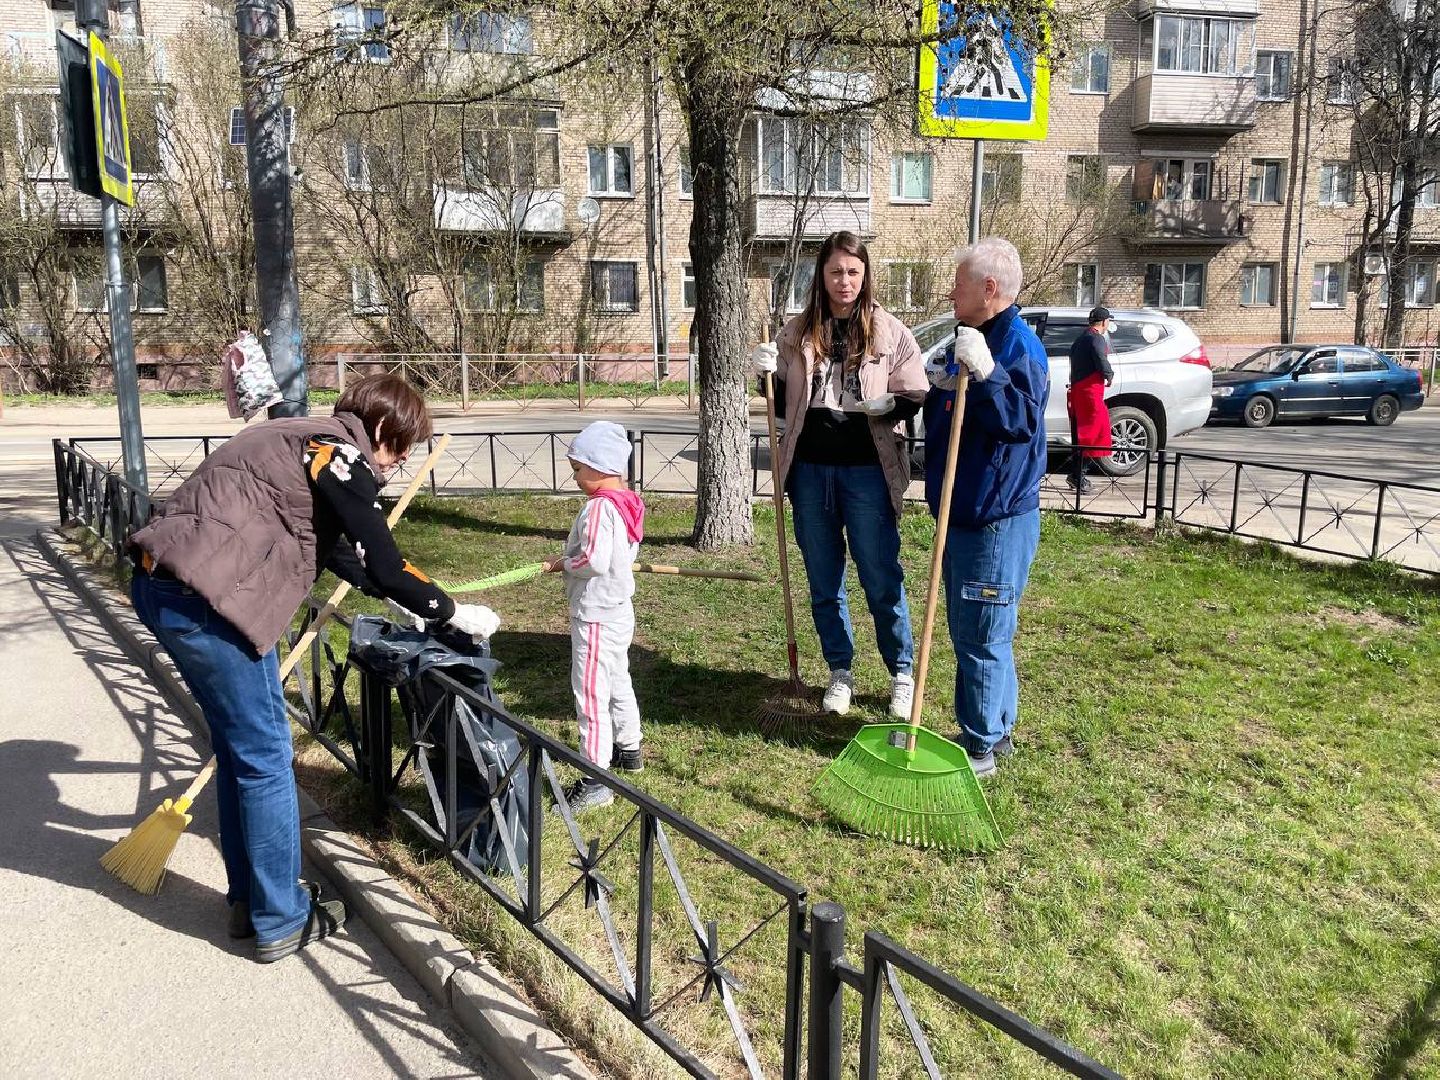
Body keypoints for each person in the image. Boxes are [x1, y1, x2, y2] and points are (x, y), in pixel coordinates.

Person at [129, 374, 499, 961]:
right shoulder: (339, 453)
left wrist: (395, 594)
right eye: (400, 449)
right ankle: (281, 916)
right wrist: (451, 610)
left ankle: (249, 902)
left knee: (237, 750)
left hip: (164, 588)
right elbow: (384, 559)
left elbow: (333, 549)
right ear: (380, 428)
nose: (399, 465)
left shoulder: (292, 436)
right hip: (209, 604)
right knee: (268, 760)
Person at [750, 230, 929, 718]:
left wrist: (891, 403)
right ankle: (840, 671)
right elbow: (779, 393)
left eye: (852, 271)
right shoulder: (798, 331)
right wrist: (764, 369)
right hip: (810, 472)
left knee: (880, 575)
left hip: (867, 472)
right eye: (835, 271)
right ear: (821, 276)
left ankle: (901, 672)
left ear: (864, 273)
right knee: (823, 579)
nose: (844, 280)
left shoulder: (891, 332)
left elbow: (917, 392)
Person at [922, 238, 1048, 778]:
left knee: (981, 631)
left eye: (959, 281)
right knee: (980, 627)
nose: (951, 290)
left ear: (989, 289)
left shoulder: (1017, 346)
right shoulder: (976, 338)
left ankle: (981, 747)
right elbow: (954, 409)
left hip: (995, 518)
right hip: (966, 510)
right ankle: (995, 727)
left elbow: (1021, 421)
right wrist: (934, 388)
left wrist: (990, 374)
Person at [544, 421, 646, 813]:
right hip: (618, 611)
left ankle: (595, 776)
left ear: (601, 468)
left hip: (596, 614)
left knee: (589, 692)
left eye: (578, 469)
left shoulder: (600, 508)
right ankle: (629, 748)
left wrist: (563, 563)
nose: (574, 477)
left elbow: (593, 560)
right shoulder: (627, 502)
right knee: (617, 678)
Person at [1066, 306, 1115, 494]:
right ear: (1104, 322)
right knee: (1093, 434)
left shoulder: (1080, 339)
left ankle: (1077, 474)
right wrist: (1108, 374)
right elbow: (1100, 357)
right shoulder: (1096, 339)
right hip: (1090, 394)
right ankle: (1078, 475)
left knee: (1082, 434)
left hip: (1080, 391)